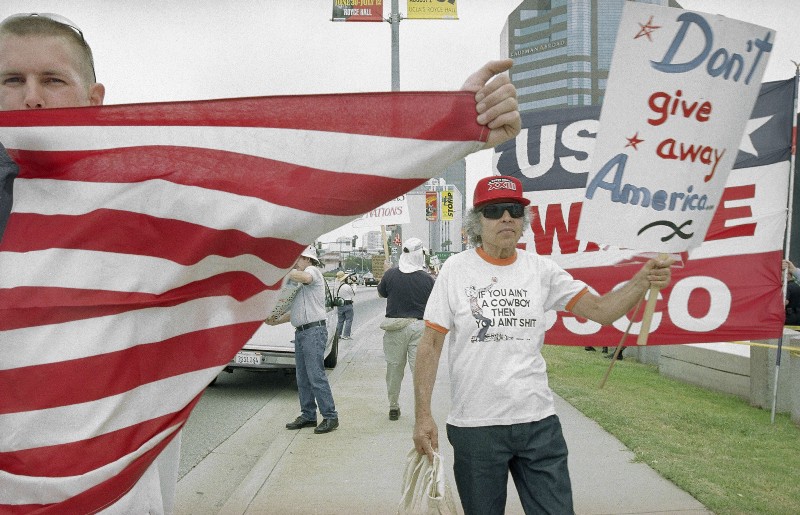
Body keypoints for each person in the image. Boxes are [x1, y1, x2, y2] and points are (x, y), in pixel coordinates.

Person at [0, 12, 522, 513]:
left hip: (115, 492)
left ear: (95, 99)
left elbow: (308, 184)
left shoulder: (154, 195)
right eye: (10, 80)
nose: (31, 98)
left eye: (52, 79)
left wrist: (455, 122)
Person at [412, 175, 673, 514]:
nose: (507, 218)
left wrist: (641, 280)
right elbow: (430, 345)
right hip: (477, 428)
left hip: (538, 424)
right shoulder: (455, 270)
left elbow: (601, 310)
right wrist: (422, 416)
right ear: (476, 222)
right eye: (494, 211)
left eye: (515, 210)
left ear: (525, 220)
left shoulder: (543, 271)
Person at [267, 245, 339, 434]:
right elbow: (295, 312)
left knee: (316, 376)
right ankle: (308, 415)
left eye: (298, 258)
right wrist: (275, 321)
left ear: (308, 259)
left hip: (313, 332)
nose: (296, 262)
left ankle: (330, 416)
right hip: (302, 332)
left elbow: (305, 277)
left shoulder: (311, 271)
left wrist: (284, 271)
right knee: (303, 377)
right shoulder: (300, 284)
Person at [377, 237, 435, 421]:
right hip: (420, 327)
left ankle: (393, 406)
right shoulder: (428, 279)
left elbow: (381, 293)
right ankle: (422, 409)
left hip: (395, 328)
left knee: (394, 369)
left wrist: (386, 273)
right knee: (418, 371)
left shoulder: (391, 274)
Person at [335, 270, 357, 339]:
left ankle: (338, 335)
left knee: (340, 320)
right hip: (347, 305)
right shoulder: (346, 286)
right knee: (349, 320)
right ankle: (346, 335)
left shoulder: (336, 286)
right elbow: (353, 293)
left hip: (340, 305)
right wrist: (354, 284)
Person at [782, 260, 800, 325]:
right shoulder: (797, 285)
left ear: (788, 273)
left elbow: (785, 302)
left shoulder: (786, 287)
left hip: (789, 319)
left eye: (782, 271)